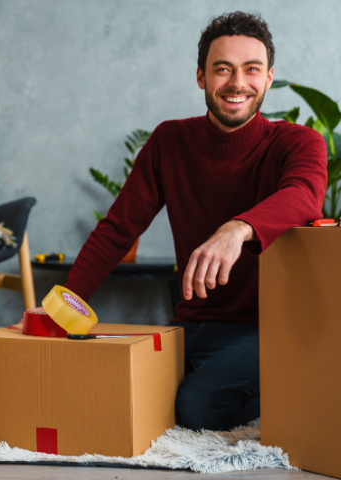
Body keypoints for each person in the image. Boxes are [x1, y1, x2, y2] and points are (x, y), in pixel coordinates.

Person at [55, 12, 327, 431]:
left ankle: (293, 386)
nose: (238, 82)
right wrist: (61, 310)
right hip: (190, 325)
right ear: (201, 77)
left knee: (198, 407)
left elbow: (304, 197)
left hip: (263, 330)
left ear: (269, 78)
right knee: (107, 391)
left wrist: (237, 228)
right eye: (223, 69)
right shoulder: (169, 141)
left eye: (251, 69)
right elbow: (118, 229)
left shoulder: (298, 143)